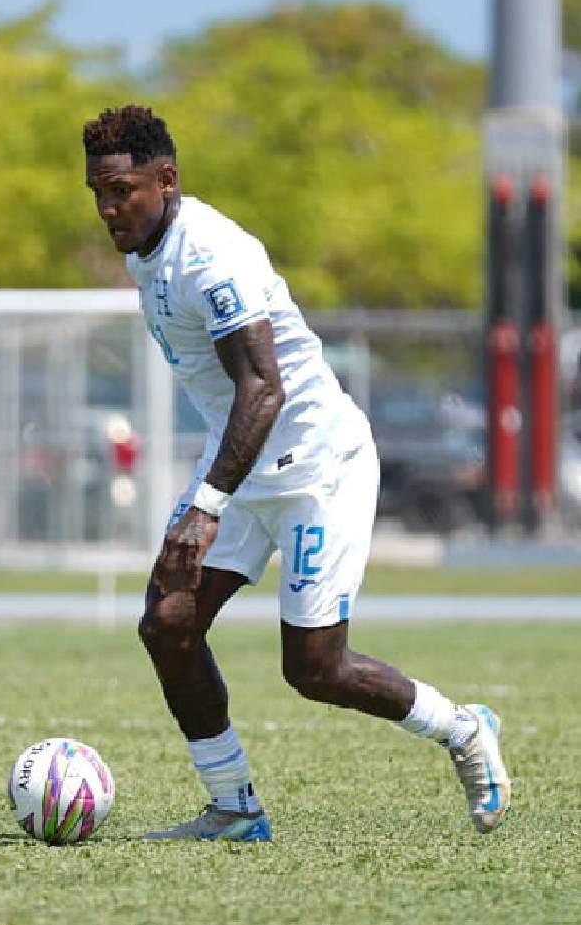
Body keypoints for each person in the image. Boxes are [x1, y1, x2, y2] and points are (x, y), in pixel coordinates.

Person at [81, 105, 511, 841]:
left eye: (123, 191)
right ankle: (234, 805)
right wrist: (220, 490)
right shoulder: (141, 251)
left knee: (316, 668)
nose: (110, 208)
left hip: (319, 468)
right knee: (168, 622)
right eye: (98, 193)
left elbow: (264, 386)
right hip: (243, 459)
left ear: (167, 179)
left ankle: (464, 727)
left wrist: (205, 503)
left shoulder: (210, 256)